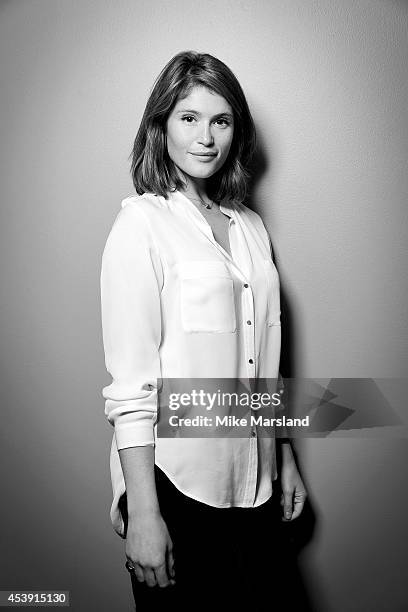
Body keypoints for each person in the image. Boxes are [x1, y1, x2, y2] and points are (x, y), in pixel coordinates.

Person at [100, 51, 307, 611]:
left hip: (256, 477)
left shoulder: (251, 226)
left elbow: (266, 358)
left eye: (221, 120)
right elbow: (132, 385)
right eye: (188, 117)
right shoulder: (140, 225)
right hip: (175, 484)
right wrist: (143, 511)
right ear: (161, 123)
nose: (206, 137)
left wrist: (283, 452)